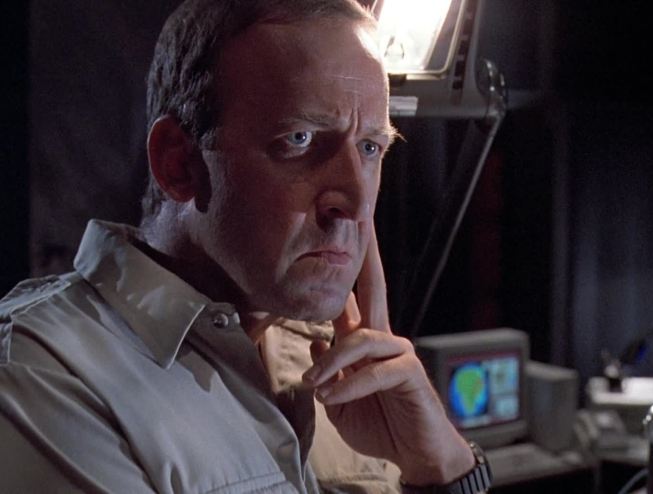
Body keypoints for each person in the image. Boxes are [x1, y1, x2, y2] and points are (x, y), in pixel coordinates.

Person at [0, 0, 491, 492]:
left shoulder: (342, 367)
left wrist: (443, 466)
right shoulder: (42, 375)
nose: (357, 201)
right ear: (178, 164)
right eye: (300, 139)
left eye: (370, 147)